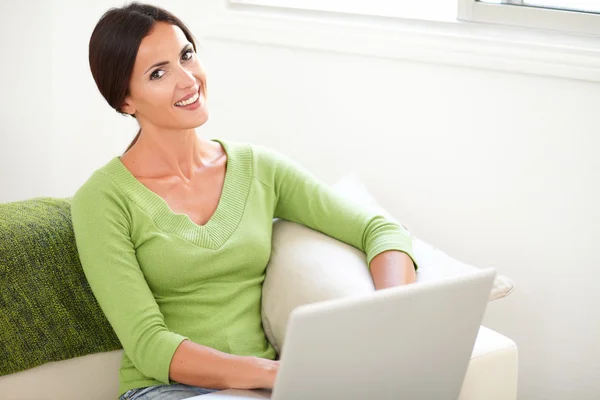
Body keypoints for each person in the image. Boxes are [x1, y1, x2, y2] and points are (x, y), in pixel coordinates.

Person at [71, 2, 418, 400]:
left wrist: (393, 317)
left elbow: (380, 229)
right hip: (168, 390)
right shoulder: (102, 201)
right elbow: (149, 345)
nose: (187, 80)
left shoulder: (258, 169)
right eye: (158, 73)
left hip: (267, 387)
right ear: (125, 101)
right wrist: (273, 373)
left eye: (186, 55)